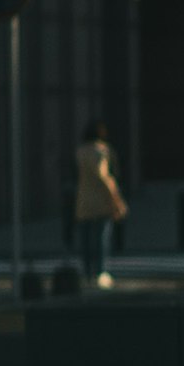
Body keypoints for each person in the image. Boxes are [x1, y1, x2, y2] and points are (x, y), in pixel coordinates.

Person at [71, 119, 127, 287]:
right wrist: (117, 199)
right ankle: (100, 272)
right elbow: (104, 176)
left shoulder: (80, 152)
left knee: (86, 239)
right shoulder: (102, 152)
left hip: (84, 200)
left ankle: (87, 272)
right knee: (101, 238)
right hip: (102, 201)